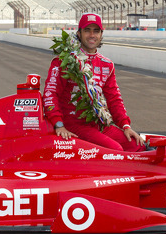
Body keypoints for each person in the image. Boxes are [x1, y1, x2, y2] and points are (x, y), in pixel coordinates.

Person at [43, 13, 145, 152]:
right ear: (79, 33)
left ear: (101, 34)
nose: (92, 35)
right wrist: (59, 125)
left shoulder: (107, 64)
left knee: (136, 145)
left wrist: (125, 126)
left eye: (96, 31)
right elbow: (50, 94)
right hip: (72, 124)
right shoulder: (63, 61)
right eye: (87, 30)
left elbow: (114, 98)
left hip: (99, 123)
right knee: (114, 150)